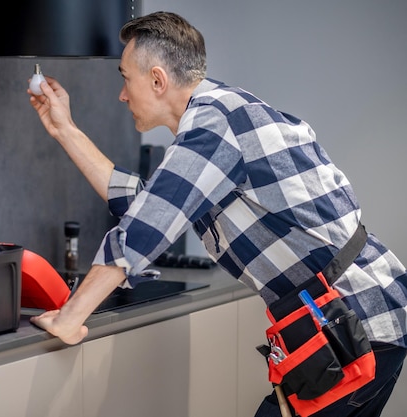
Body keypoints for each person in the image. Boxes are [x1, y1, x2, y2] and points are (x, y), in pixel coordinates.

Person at [27, 11, 407, 417]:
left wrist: (71, 318)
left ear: (157, 80)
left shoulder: (213, 124)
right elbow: (144, 203)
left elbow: (145, 225)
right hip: (345, 320)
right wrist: (64, 128)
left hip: (356, 321)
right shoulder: (217, 117)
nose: (122, 95)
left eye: (125, 78)